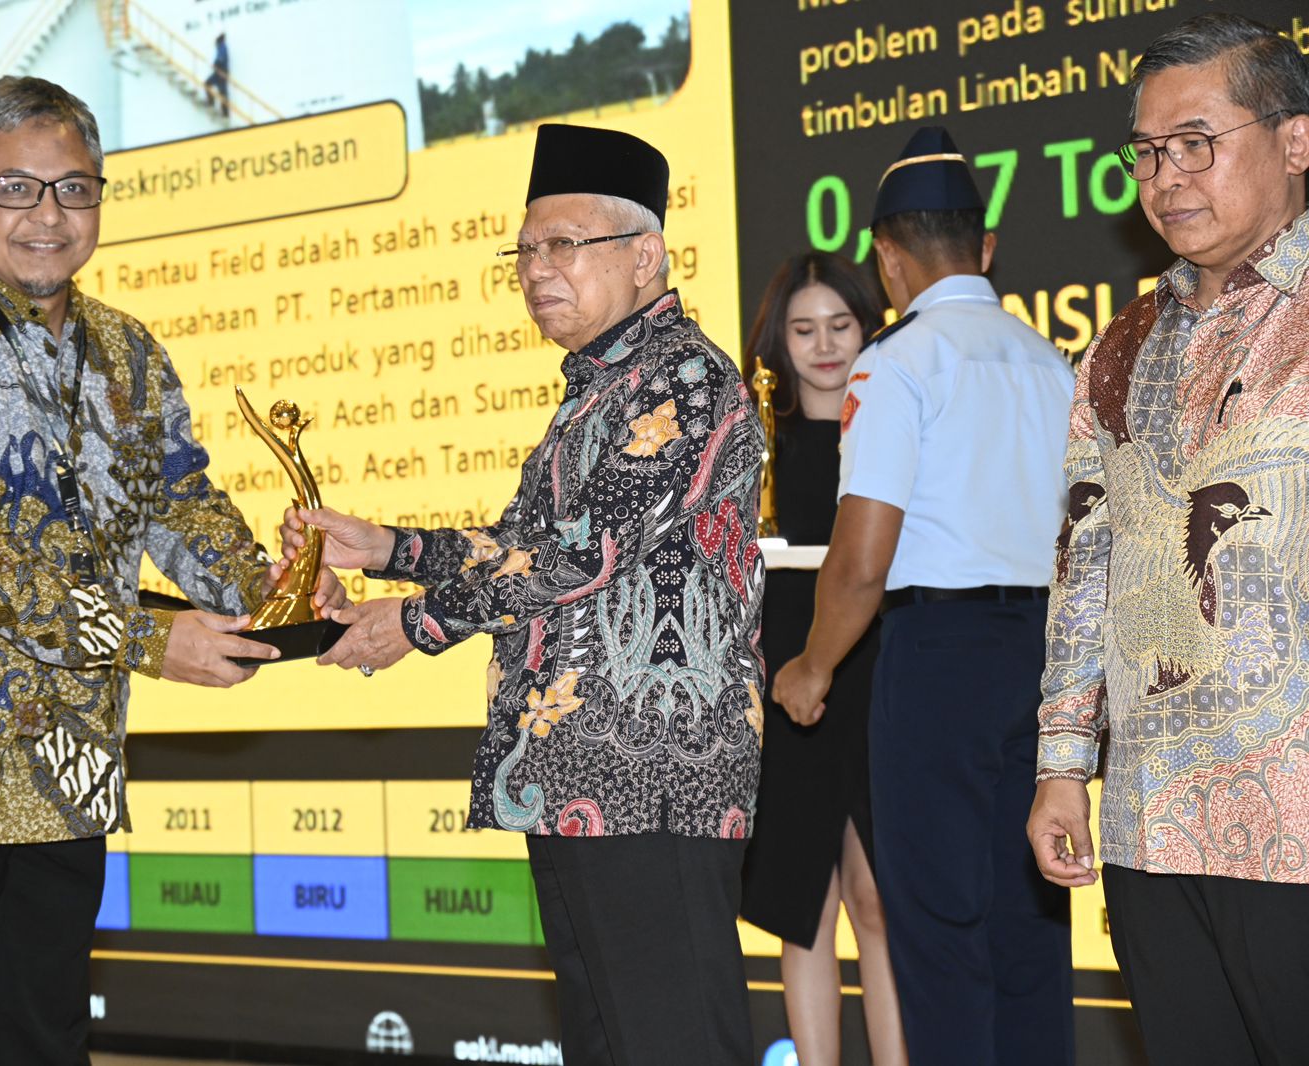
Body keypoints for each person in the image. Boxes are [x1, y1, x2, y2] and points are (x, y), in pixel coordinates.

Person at [0, 76, 341, 1064]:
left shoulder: (126, 351)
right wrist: (151, 639)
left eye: (73, 189)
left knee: (45, 1040)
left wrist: (275, 592)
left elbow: (179, 502)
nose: (49, 216)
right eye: (16, 189)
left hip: (65, 763)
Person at [281, 123, 765, 1066]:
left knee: (674, 1044)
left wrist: (416, 625)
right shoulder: (598, 390)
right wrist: (387, 547)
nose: (538, 270)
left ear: (645, 256)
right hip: (577, 773)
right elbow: (524, 544)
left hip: (654, 775)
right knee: (607, 1044)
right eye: (526, 251)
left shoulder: (685, 379)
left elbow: (585, 551)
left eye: (564, 245)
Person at [1027, 14, 1309, 1065]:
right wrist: (1063, 765)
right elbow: (1085, 566)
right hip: (1152, 826)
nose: (1166, 177)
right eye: (1147, 152)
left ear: (1294, 139)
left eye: (1197, 142)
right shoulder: (1119, 345)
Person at [770, 126, 1076, 1066]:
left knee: (939, 933)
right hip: (1041, 654)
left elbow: (862, 558)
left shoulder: (896, 362)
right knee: (1029, 928)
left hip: (937, 660)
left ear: (888, 259)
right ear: (986, 248)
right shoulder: (1050, 362)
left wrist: (813, 667)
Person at [738, 252, 907, 1066]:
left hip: (879, 679)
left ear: (869, 328)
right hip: (786, 687)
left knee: (879, 899)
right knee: (803, 908)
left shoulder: (892, 432)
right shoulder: (753, 445)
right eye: (804, 330)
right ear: (779, 340)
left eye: (841, 325)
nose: (825, 345)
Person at [203, 32, 229, 116]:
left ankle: (224, 112)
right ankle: (213, 103)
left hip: (221, 72)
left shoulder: (222, 47)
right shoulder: (221, 47)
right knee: (209, 84)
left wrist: (216, 64)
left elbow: (221, 58)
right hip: (219, 72)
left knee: (222, 92)